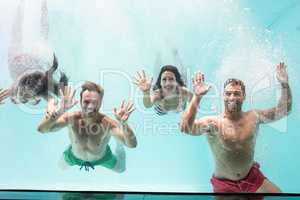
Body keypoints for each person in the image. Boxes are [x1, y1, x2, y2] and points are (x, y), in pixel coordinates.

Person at [180, 62, 292, 194]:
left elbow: (284, 110)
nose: (231, 97)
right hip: (224, 184)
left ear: (243, 96)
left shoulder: (254, 116)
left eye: (236, 93)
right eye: (228, 93)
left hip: (252, 178)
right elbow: (186, 128)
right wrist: (197, 96)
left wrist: (284, 84)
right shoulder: (214, 123)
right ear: (223, 96)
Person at [38, 82, 137, 172]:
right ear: (80, 101)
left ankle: (119, 145)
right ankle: (74, 144)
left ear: (100, 103)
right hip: (74, 156)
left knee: (121, 169)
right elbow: (42, 130)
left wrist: (124, 124)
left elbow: (132, 145)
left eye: (95, 102)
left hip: (102, 157)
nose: (90, 106)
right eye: (86, 102)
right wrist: (60, 111)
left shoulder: (108, 124)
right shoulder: (72, 119)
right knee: (60, 168)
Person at [8, 0, 67, 105]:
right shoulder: (41, 76)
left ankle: (27, 5)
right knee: (41, 37)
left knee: (21, 36)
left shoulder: (19, 79)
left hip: (22, 65)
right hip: (30, 65)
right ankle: (37, 5)